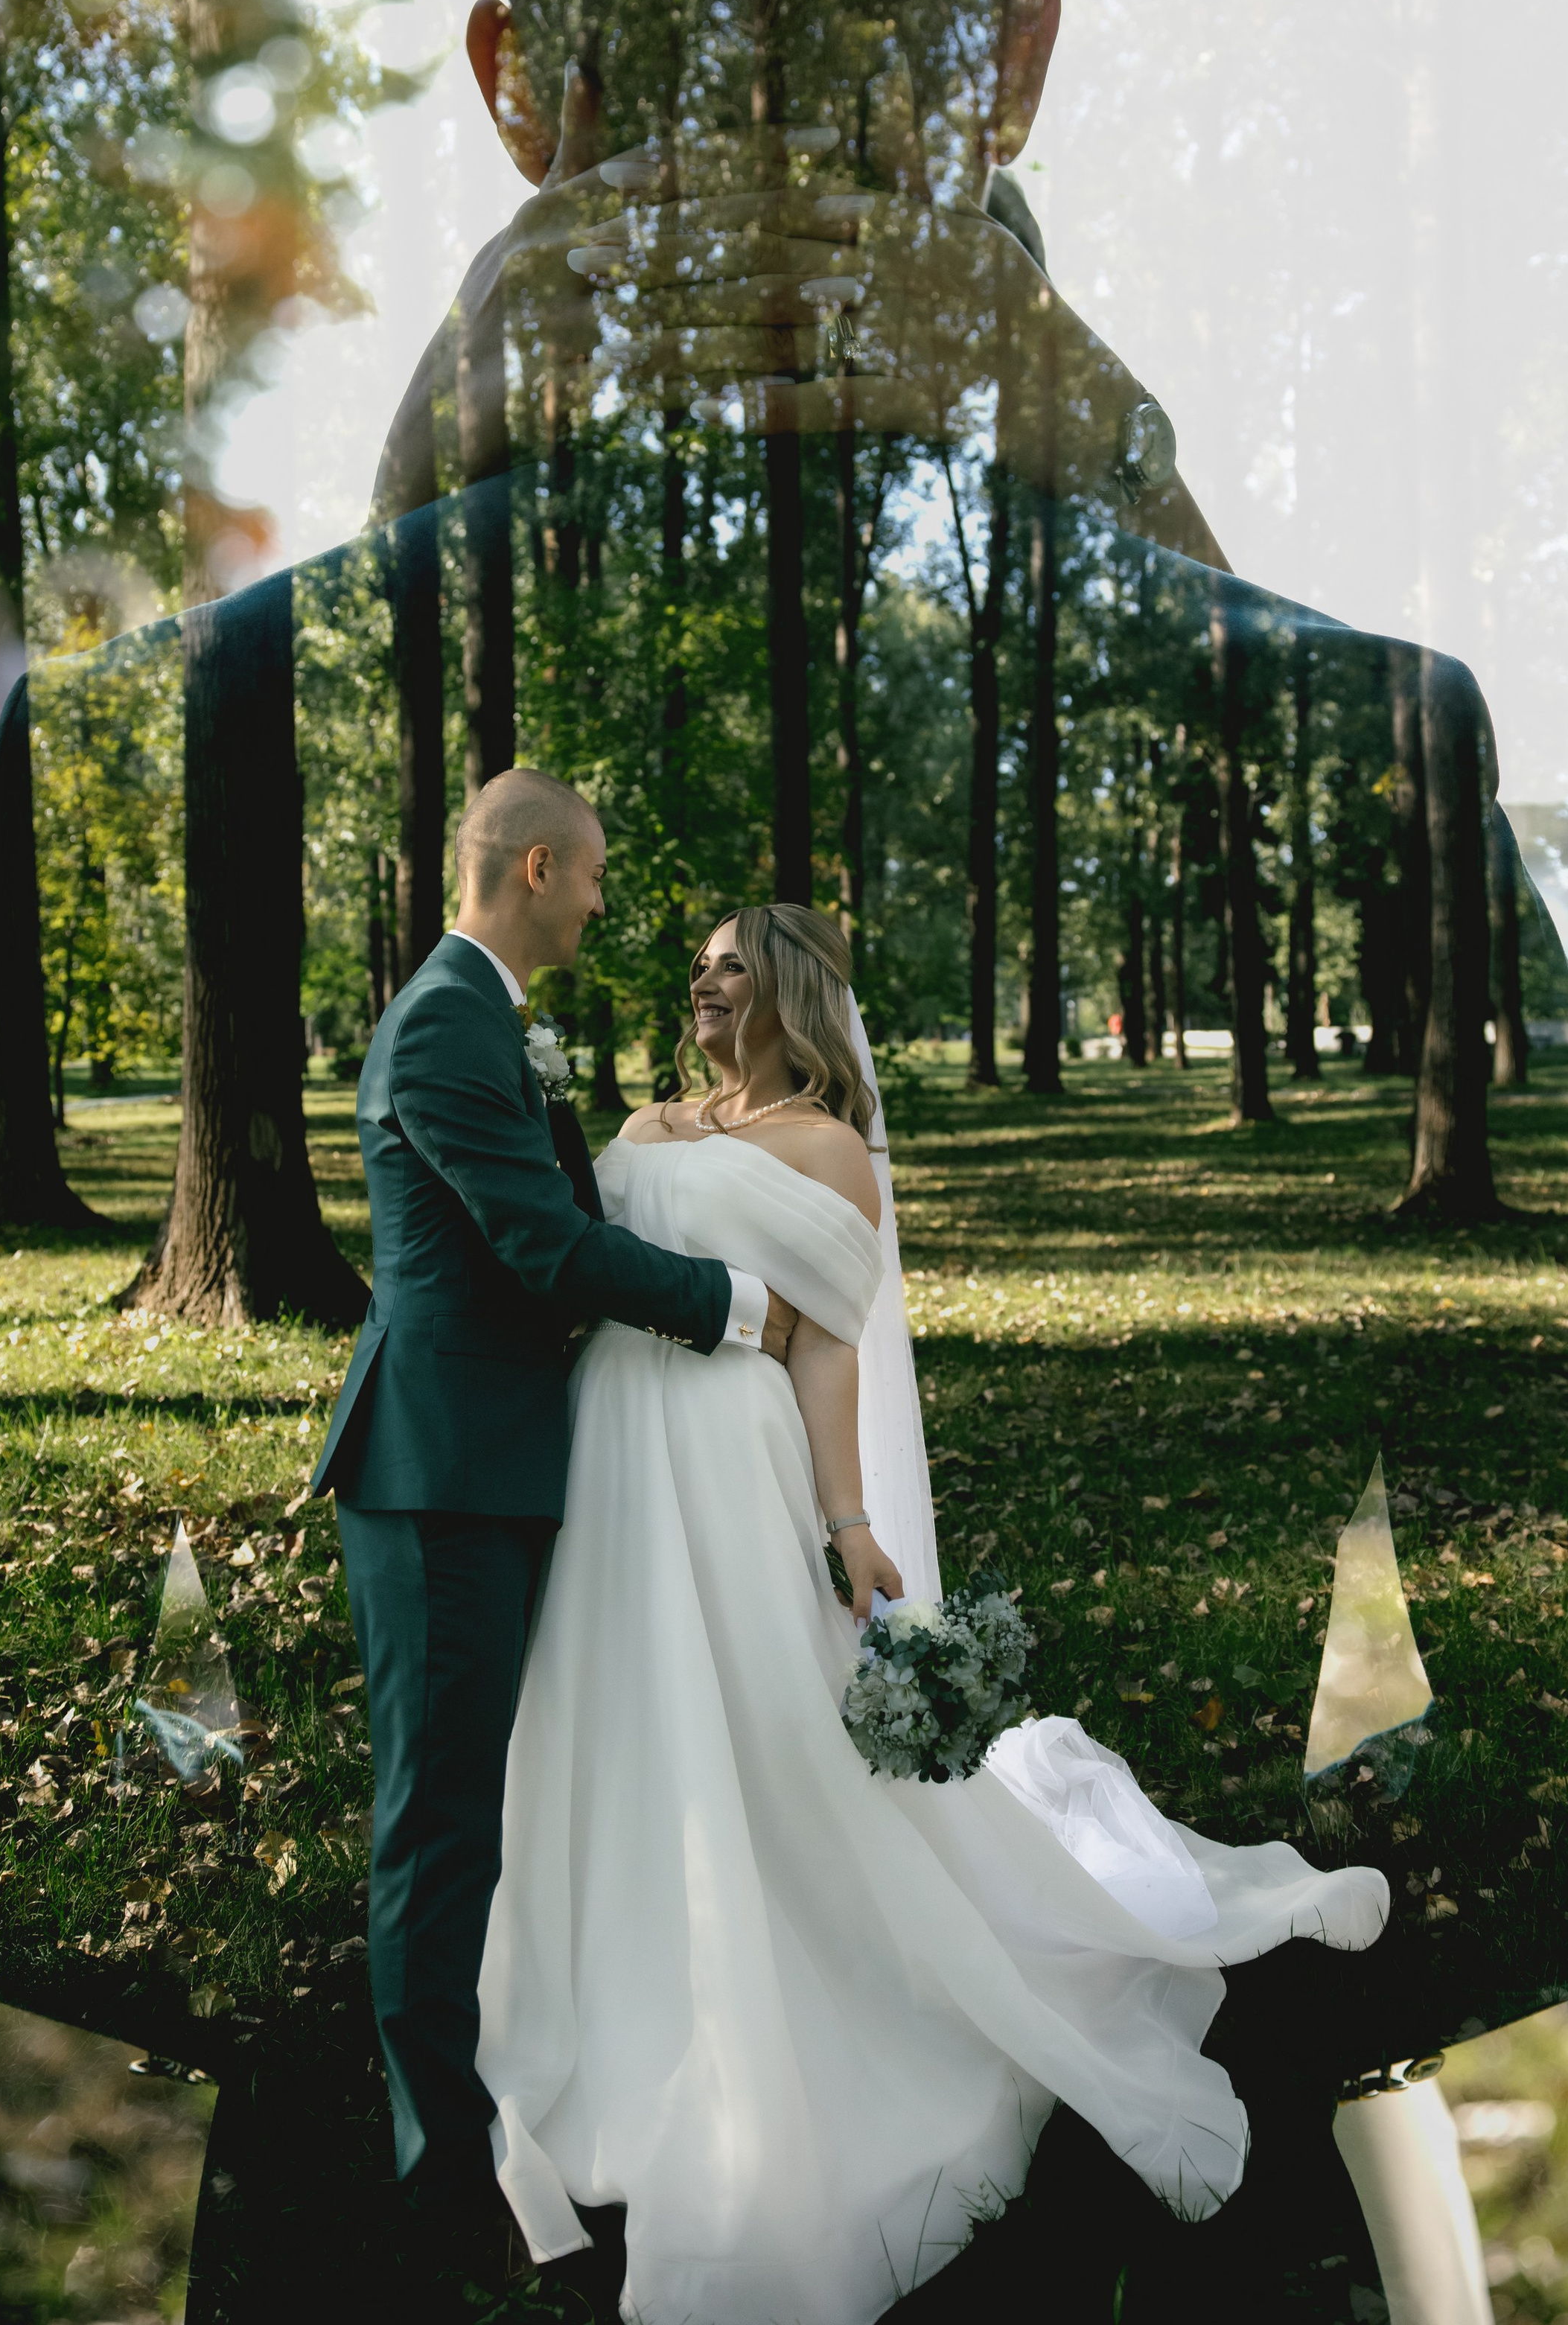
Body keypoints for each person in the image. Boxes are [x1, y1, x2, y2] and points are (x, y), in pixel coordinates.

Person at [477, 901, 1390, 2325]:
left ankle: (817, 1998)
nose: (704, 985)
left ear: (786, 992)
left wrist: (849, 1528)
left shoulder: (831, 1153)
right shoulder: (646, 1126)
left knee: (769, 1743)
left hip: (729, 1467)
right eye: (700, 968)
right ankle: (613, 1992)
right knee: (614, 1725)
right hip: (606, 1461)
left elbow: (832, 1347)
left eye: (731, 968)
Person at [308, 765, 800, 2271]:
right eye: (588, 876)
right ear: (532, 869)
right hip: (440, 1474)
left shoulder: (473, 1018)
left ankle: (461, 2102)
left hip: (487, 1458)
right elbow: (539, 1246)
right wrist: (735, 1309)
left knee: (466, 1804)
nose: (601, 900)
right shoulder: (448, 1028)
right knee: (440, 1817)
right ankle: (434, 2161)